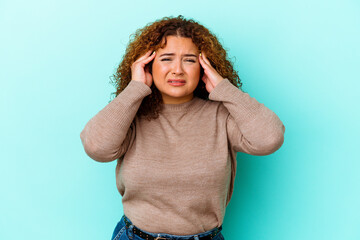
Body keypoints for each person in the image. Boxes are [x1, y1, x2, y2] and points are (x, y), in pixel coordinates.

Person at [80, 15, 285, 240]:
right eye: (166, 58)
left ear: (204, 68)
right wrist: (135, 88)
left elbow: (270, 138)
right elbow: (96, 147)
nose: (177, 70)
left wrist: (224, 88)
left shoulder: (222, 117)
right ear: (148, 65)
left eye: (189, 60)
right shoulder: (130, 116)